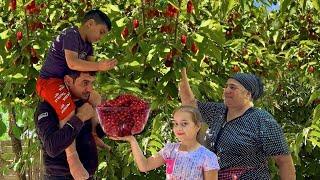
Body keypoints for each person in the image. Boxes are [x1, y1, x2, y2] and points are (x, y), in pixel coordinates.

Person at [35, 9, 117, 179]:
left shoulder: (88, 46)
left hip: (66, 82)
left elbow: (90, 72)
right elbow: (72, 63)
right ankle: (73, 159)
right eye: (101, 32)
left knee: (96, 97)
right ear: (90, 23)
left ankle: (93, 134)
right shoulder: (71, 33)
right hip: (50, 81)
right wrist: (99, 66)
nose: (101, 37)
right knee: (68, 108)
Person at [179, 67, 296, 179]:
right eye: (226, 87)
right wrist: (181, 69)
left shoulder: (262, 120)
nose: (226, 90)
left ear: (248, 94)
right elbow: (189, 103)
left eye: (233, 87)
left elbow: (284, 161)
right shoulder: (218, 112)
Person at [111, 106, 220, 180]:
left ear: (197, 126)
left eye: (184, 123)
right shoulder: (170, 150)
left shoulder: (208, 157)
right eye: (176, 123)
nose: (178, 128)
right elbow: (144, 166)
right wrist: (132, 140)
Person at [35, 71, 105, 180]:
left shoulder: (84, 102)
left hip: (87, 174)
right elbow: (52, 147)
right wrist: (79, 118)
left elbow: (92, 135)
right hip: (60, 176)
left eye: (92, 83)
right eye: (85, 83)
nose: (90, 89)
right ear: (68, 81)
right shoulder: (47, 108)